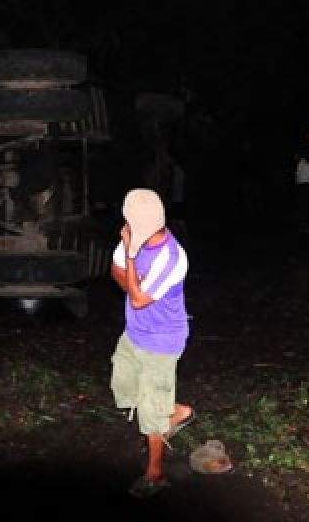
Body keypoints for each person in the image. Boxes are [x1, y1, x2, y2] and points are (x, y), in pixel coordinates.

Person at [109, 188, 194, 498]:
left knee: (150, 408)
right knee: (124, 387)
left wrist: (132, 256)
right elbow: (114, 270)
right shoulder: (133, 235)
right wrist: (132, 277)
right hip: (134, 333)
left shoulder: (173, 257)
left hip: (162, 341)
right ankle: (176, 412)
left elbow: (138, 297)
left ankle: (155, 474)